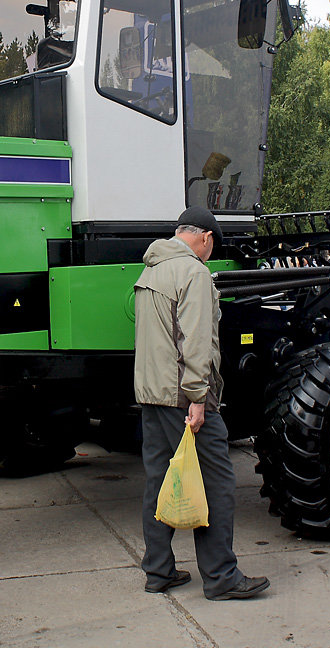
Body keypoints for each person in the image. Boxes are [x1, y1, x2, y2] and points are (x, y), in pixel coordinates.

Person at [133, 206, 269, 601]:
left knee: (159, 481)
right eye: (213, 246)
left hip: (152, 394)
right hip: (183, 396)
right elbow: (195, 341)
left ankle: (158, 571)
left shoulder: (151, 270)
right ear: (205, 238)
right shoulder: (192, 272)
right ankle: (222, 576)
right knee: (218, 482)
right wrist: (198, 398)